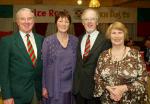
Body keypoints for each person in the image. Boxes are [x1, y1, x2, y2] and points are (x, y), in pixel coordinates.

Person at [94, 21, 147, 104]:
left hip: (132, 100)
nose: (117, 36)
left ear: (124, 35)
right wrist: (109, 88)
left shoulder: (135, 54)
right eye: (113, 33)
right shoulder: (103, 55)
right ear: (109, 36)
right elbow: (97, 78)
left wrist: (124, 88)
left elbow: (143, 79)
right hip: (107, 100)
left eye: (120, 32)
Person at [0, 8, 44, 104]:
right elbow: (3, 72)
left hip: (38, 93)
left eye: (29, 18)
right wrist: (7, 96)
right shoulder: (7, 42)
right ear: (17, 22)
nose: (26, 22)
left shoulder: (42, 40)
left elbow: (44, 68)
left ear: (34, 20)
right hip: (16, 96)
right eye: (22, 19)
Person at [72, 8, 110, 104]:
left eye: (92, 19)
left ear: (97, 22)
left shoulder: (106, 40)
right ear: (82, 22)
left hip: (95, 91)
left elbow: (107, 67)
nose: (89, 22)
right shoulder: (79, 39)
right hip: (78, 89)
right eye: (86, 19)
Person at [42, 11, 78, 104]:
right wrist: (43, 86)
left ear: (69, 24)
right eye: (60, 21)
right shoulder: (48, 41)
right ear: (56, 23)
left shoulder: (75, 40)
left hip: (71, 86)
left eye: (66, 21)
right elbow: (44, 66)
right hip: (53, 86)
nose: (63, 24)